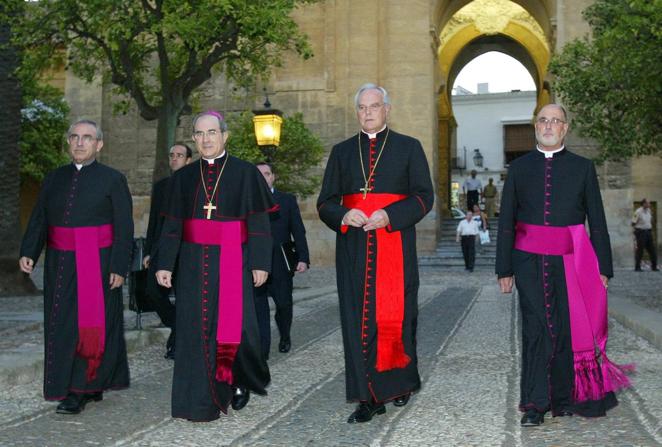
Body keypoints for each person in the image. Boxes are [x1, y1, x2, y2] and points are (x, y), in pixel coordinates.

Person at [496, 104, 632, 427]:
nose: (548, 125)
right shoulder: (518, 169)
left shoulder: (583, 168)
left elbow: (596, 221)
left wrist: (604, 268)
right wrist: (504, 268)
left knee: (568, 328)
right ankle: (535, 402)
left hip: (571, 261)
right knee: (536, 327)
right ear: (535, 126)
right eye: (543, 120)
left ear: (565, 129)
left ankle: (566, 397)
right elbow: (506, 221)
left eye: (555, 121)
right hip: (527, 261)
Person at [317, 83, 434, 424]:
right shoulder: (341, 152)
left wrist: (390, 216)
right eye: (362, 108)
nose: (367, 112)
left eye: (374, 106)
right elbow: (325, 202)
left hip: (393, 243)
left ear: (387, 109)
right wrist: (343, 215)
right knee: (357, 320)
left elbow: (424, 197)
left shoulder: (408, 148)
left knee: (397, 317)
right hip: (353, 247)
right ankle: (367, 397)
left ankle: (398, 385)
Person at [155, 111, 274, 422]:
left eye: (211, 132)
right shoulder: (183, 177)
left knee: (232, 326)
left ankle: (235, 379)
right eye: (199, 134)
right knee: (194, 327)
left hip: (233, 257)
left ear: (224, 135)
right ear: (194, 138)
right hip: (194, 261)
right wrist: (164, 263)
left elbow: (259, 223)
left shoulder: (246, 173)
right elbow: (172, 225)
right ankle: (197, 398)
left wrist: (261, 262)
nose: (205, 139)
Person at [19, 119, 134, 415]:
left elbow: (124, 227)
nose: (80, 143)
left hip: (95, 260)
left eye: (87, 138)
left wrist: (119, 267)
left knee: (90, 326)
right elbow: (40, 218)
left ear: (99, 145)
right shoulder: (54, 178)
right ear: (68, 142)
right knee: (61, 324)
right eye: (74, 137)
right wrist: (29, 251)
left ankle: (80, 389)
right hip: (58, 261)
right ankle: (71, 384)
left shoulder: (112, 179)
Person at [254, 162, 310, 359]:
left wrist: (303, 258)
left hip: (280, 261)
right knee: (257, 306)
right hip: (255, 263)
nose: (263, 178)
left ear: (273, 177)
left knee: (284, 304)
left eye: (267, 174)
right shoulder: (247, 200)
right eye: (259, 175)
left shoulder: (286, 200)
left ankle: (285, 335)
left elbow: (298, 229)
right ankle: (262, 346)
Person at [143, 143, 193, 359]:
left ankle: (176, 343)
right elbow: (154, 221)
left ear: (188, 160)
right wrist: (148, 251)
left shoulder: (195, 185)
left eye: (179, 155)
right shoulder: (161, 186)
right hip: (162, 248)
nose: (174, 159)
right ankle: (177, 326)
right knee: (152, 291)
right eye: (172, 155)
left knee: (183, 297)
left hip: (187, 249)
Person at [632, 198, 658, 271]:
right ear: (643, 204)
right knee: (640, 250)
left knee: (652, 250)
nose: (649, 204)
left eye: (649, 203)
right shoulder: (638, 212)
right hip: (641, 232)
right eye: (648, 203)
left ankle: (654, 266)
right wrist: (636, 231)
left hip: (648, 232)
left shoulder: (649, 211)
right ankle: (637, 267)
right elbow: (633, 222)